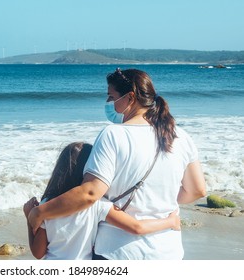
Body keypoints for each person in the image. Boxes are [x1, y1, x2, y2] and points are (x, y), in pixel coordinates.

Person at [28, 68, 206, 260]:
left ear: (130, 98)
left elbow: (90, 193)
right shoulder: (180, 137)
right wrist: (156, 201)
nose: (108, 103)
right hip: (168, 252)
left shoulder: (113, 134)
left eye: (111, 97)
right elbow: (197, 190)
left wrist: (39, 212)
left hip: (119, 253)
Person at [23, 142, 180, 260]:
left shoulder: (46, 206)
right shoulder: (98, 204)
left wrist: (29, 218)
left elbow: (38, 253)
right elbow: (136, 227)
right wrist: (170, 222)